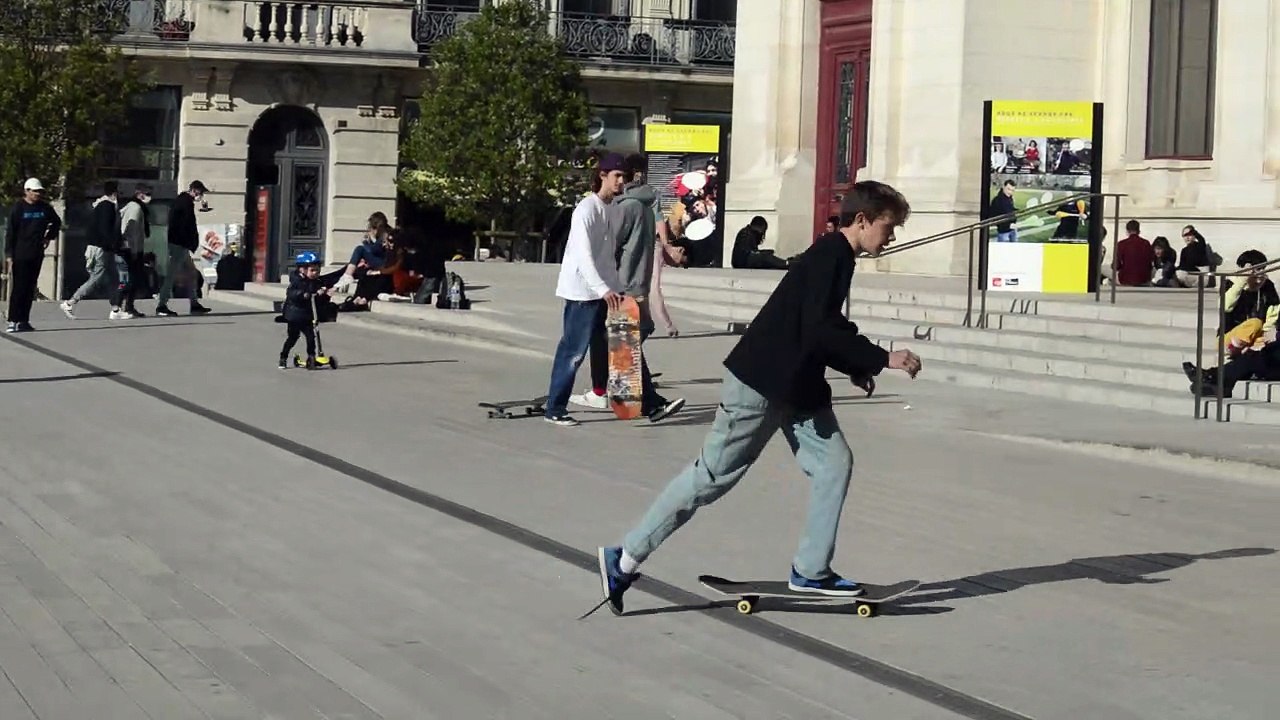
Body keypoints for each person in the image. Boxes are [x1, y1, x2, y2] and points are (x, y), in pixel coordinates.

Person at [595, 180, 923, 615]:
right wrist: (882, 358)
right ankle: (624, 557)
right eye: (889, 226)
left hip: (798, 387)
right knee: (710, 479)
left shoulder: (837, 256)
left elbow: (820, 328)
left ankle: (810, 568)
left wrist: (858, 366)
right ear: (861, 221)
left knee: (834, 464)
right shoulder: (831, 256)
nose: (892, 235)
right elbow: (820, 328)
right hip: (760, 383)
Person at [543, 153, 627, 426]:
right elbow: (584, 256)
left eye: (623, 176)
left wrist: (616, 288)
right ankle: (554, 408)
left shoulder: (611, 209)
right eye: (617, 176)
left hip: (604, 292)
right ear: (602, 175)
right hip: (583, 293)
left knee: (614, 346)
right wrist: (603, 288)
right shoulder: (586, 209)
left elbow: (607, 256)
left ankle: (644, 401)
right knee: (573, 351)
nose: (621, 182)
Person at [5, 178, 62, 332]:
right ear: (27, 191)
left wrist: (49, 237)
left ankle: (24, 320)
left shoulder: (44, 208)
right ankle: (13, 320)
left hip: (36, 253)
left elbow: (57, 222)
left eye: (39, 191)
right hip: (20, 253)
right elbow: (10, 233)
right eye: (35, 191)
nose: (37, 194)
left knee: (30, 287)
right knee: (19, 288)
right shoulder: (18, 208)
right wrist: (9, 255)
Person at [62, 181, 125, 319]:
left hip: (101, 247)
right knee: (97, 277)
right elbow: (105, 230)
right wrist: (112, 245)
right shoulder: (106, 206)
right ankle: (71, 302)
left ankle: (115, 309)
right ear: (114, 193)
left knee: (113, 278)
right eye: (119, 192)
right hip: (101, 248)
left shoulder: (102, 205)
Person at [155, 180, 211, 316]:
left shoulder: (184, 201)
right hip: (179, 245)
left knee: (191, 274)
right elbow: (185, 225)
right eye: (201, 192)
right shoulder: (184, 202)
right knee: (172, 275)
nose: (201, 195)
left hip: (181, 245)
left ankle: (194, 303)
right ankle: (161, 305)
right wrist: (188, 241)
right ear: (195, 190)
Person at [279, 252, 329, 369]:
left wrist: (324, 294)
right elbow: (292, 294)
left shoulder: (316, 281)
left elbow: (317, 295)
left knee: (311, 337)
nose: (315, 273)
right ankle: (283, 357)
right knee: (292, 338)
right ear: (302, 269)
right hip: (294, 315)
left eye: (317, 270)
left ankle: (311, 356)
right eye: (312, 270)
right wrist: (303, 294)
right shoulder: (296, 281)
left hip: (307, 315)